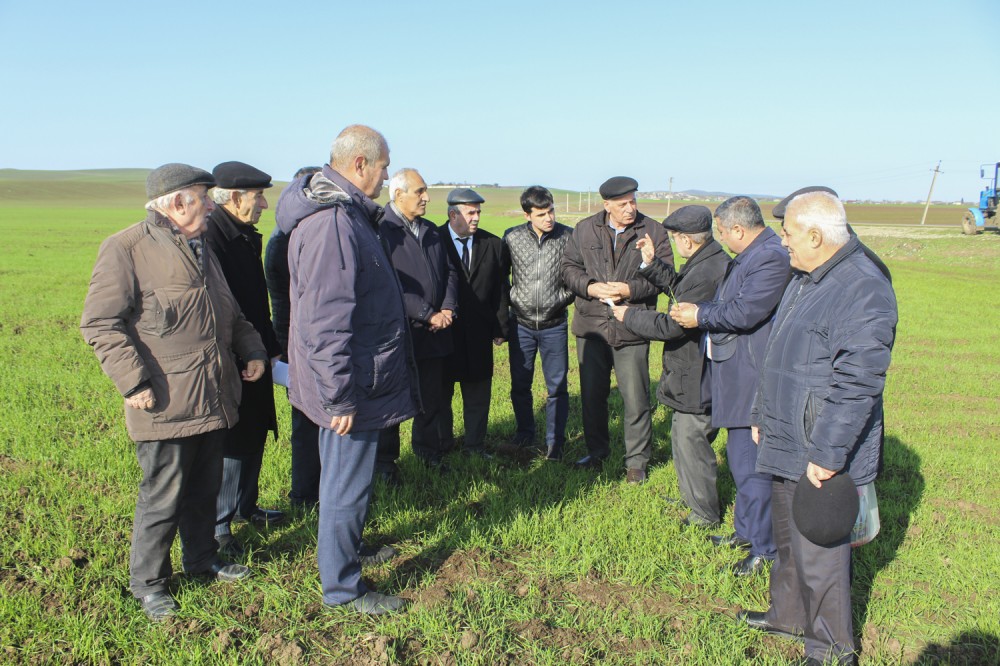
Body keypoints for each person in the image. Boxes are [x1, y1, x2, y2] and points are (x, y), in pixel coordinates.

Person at [80, 163, 267, 621]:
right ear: (179, 201)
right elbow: (100, 324)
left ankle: (201, 560)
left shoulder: (203, 248)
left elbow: (232, 312)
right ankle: (148, 583)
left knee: (203, 489)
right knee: (163, 495)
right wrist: (134, 381)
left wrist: (252, 349)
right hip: (164, 402)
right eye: (204, 197)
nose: (209, 205)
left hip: (213, 394)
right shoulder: (126, 249)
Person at [741, 191, 897, 665]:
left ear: (815, 234)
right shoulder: (806, 275)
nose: (781, 241)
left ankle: (830, 651)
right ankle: (787, 617)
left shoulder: (863, 288)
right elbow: (778, 355)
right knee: (789, 541)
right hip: (786, 433)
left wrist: (828, 455)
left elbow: (859, 384)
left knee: (821, 552)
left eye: (787, 232)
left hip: (820, 446)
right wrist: (760, 413)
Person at [282, 125, 419, 615]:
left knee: (347, 481)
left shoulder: (345, 215)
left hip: (355, 376)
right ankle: (342, 589)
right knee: (345, 483)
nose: (385, 178)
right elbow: (325, 319)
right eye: (383, 167)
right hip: (350, 385)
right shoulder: (333, 225)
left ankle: (350, 550)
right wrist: (339, 395)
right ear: (359, 164)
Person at [670, 196, 790, 575]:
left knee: (749, 466)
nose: (720, 239)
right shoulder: (752, 253)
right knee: (740, 464)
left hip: (750, 378)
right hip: (736, 375)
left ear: (738, 229)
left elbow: (745, 311)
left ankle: (764, 549)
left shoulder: (769, 257)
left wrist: (699, 314)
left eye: (722, 232)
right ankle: (745, 531)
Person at [611, 205, 730, 525]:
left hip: (696, 374)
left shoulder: (707, 271)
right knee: (684, 439)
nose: (676, 244)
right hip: (693, 370)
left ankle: (703, 515)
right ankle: (693, 498)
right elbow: (681, 287)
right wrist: (651, 263)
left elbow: (673, 326)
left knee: (691, 442)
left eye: (676, 238)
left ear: (687, 241)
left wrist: (629, 315)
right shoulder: (708, 260)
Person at [561, 176, 672, 483]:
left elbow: (664, 276)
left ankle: (636, 461)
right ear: (606, 205)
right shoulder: (584, 229)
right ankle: (597, 452)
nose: (630, 208)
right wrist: (591, 287)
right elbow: (569, 268)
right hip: (592, 327)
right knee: (592, 396)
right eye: (622, 204)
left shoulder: (653, 230)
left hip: (632, 325)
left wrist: (629, 288)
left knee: (636, 398)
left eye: (633, 201)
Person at [204, 161, 286, 558]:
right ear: (235, 198)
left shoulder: (244, 235)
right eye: (258, 197)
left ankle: (245, 507)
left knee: (254, 430)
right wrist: (244, 354)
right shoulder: (210, 239)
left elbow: (256, 304)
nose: (265, 205)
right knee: (232, 440)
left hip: (254, 352)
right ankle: (220, 528)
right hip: (230, 360)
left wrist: (270, 347)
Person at [376, 168, 458, 477]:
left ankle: (428, 451)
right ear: (398, 195)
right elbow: (389, 282)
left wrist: (448, 308)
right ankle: (385, 463)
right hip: (400, 334)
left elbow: (449, 272)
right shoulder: (382, 231)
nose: (426, 197)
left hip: (436, 332)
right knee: (392, 401)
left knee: (432, 397)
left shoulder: (431, 231)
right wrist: (426, 312)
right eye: (420, 191)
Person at [264, 166, 322, 509]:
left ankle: (311, 490)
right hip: (297, 345)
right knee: (306, 423)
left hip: (295, 342)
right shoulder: (289, 239)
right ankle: (304, 495)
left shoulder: (282, 235)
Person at [502, 186, 574, 460]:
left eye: (551, 211)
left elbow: (576, 276)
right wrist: (513, 298)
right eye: (542, 213)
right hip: (520, 325)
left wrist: (561, 299)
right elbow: (500, 276)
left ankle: (555, 442)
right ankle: (524, 432)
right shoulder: (512, 237)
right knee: (520, 384)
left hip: (554, 325)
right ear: (527, 214)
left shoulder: (568, 236)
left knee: (557, 387)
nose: (549, 218)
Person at [439, 188, 509, 459]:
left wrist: (500, 327)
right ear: (453, 214)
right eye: (471, 212)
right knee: (441, 395)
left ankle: (475, 446)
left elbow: (500, 289)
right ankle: (443, 445)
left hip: (479, 334)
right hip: (443, 333)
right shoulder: (434, 240)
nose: (477, 217)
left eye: (478, 211)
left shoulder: (493, 244)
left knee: (478, 394)